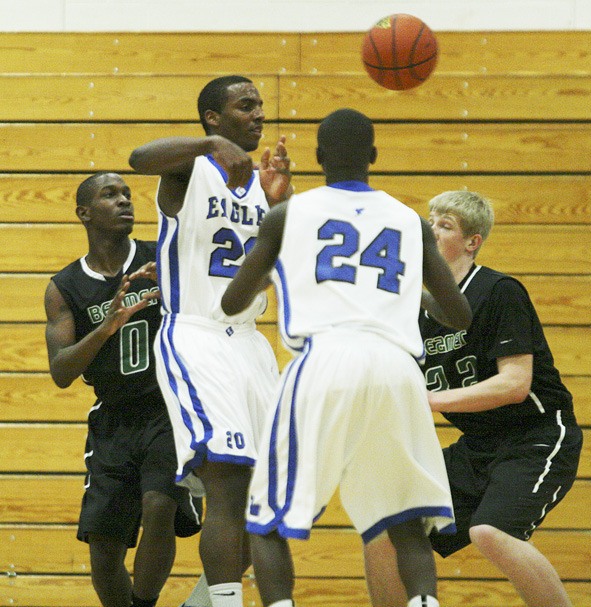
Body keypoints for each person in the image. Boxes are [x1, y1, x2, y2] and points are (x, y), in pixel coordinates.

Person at [220, 108, 473, 607]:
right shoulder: (409, 220)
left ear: (317, 159)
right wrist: (404, 295)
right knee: (405, 520)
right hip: (398, 370)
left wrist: (277, 260)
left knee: (266, 519)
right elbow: (459, 314)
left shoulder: (286, 215)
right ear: (374, 157)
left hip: (327, 359)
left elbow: (232, 303)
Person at [363, 190, 583, 607]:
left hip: (536, 437)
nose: (431, 230)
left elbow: (514, 383)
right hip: (479, 446)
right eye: (429, 222)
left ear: (472, 242)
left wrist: (431, 400)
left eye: (444, 225)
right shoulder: (410, 310)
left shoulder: (498, 291)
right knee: (384, 526)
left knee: (490, 532)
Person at [128, 75, 292, 607]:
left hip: (250, 344)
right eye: (245, 106)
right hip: (196, 337)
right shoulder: (190, 167)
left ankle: (206, 601)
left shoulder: (267, 189)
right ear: (213, 118)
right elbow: (138, 156)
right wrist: (205, 145)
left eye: (261, 105)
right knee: (224, 482)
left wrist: (281, 207)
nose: (259, 114)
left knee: (266, 496)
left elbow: (277, 274)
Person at [43, 172, 203, 607]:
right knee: (104, 553)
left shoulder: (159, 259)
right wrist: (106, 326)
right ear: (84, 213)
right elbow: (60, 371)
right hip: (112, 419)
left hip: (167, 409)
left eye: (127, 193)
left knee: (157, 507)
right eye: (109, 195)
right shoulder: (65, 287)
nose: (124, 201)